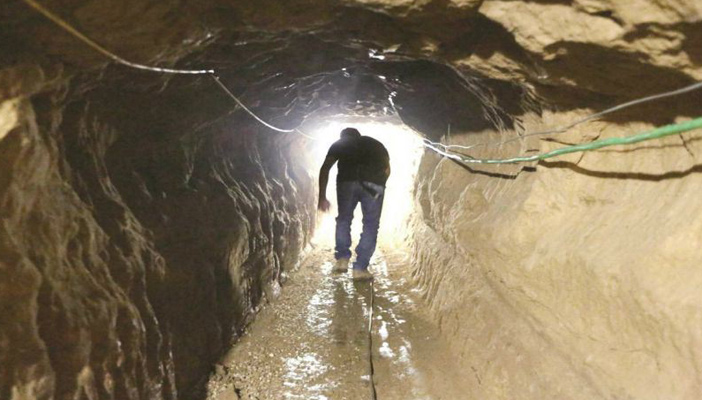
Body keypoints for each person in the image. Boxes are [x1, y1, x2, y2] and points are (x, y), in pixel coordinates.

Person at [318, 127, 390, 280]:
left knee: (344, 219)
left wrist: (322, 197)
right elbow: (387, 169)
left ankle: (342, 259)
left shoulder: (340, 143)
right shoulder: (376, 144)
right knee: (371, 224)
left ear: (343, 136)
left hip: (347, 182)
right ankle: (360, 268)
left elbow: (325, 168)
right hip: (374, 185)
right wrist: (379, 185)